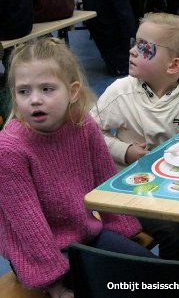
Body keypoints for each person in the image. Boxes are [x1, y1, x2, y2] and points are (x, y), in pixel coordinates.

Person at [0, 38, 152, 298]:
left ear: (72, 91)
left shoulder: (82, 125)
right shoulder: (9, 148)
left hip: (84, 233)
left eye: (47, 89)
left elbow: (106, 180)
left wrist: (124, 230)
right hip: (38, 253)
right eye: (24, 91)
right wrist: (55, 284)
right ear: (14, 95)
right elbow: (28, 225)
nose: (35, 100)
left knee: (150, 273)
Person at [92, 13, 179, 259]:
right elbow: (89, 134)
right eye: (135, 43)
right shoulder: (120, 92)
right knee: (170, 229)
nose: (133, 51)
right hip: (128, 188)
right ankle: (169, 282)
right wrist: (125, 151)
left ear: (173, 66)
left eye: (144, 47)